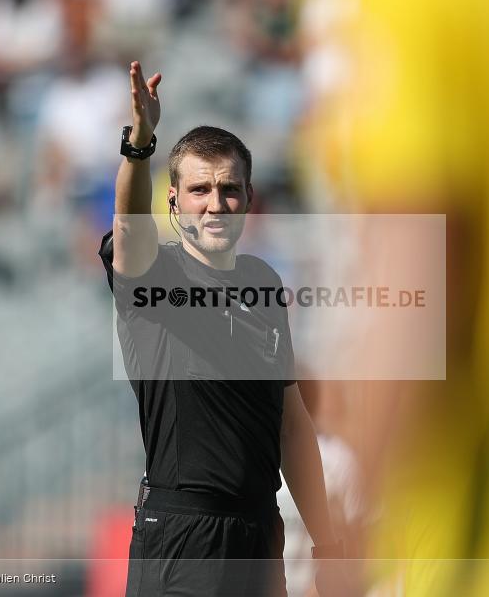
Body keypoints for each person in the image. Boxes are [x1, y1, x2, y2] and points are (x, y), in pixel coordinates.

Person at [97, 61, 343, 596]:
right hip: (184, 535)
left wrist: (326, 540)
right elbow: (129, 227)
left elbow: (292, 423)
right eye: (200, 189)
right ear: (173, 200)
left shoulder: (264, 283)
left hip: (260, 533)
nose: (216, 204)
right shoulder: (153, 274)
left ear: (249, 200)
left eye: (230, 189)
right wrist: (139, 143)